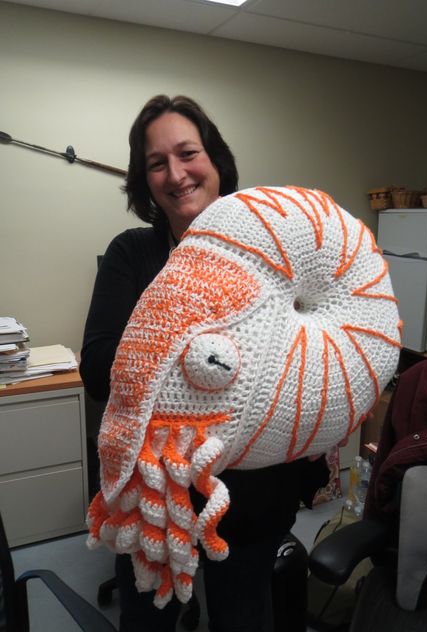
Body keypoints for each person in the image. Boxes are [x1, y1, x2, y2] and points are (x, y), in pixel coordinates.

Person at [80, 94, 329, 632]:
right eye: (155, 163)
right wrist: (188, 341)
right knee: (147, 621)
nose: (176, 174)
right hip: (157, 495)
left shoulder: (274, 251)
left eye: (188, 153)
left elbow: (306, 361)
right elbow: (99, 366)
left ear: (215, 159)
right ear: (144, 181)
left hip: (251, 497)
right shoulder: (131, 255)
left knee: (244, 614)